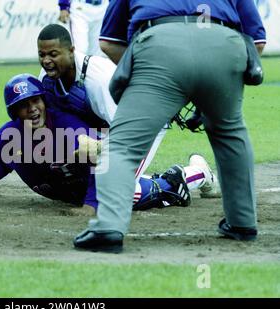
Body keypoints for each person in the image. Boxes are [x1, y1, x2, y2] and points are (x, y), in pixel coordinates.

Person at [73, 0, 266, 253]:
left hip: (158, 45)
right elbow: (257, 41)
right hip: (223, 44)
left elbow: (109, 42)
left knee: (122, 145)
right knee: (230, 134)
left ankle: (109, 228)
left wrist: (153, 75)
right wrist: (208, 87)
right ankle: (242, 223)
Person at [0, 74, 215, 215]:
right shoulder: (11, 136)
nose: (31, 109)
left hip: (104, 185)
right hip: (70, 189)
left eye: (35, 101)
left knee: (146, 191)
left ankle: (195, 173)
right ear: (13, 113)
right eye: (22, 105)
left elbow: (101, 158)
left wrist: (91, 207)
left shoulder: (67, 126)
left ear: (44, 101)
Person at [37, 23, 169, 182]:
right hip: (109, 126)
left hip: (144, 123)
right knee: (88, 183)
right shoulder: (47, 76)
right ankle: (153, 181)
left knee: (116, 188)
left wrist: (98, 148)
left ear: (71, 51)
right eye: (42, 55)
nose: (46, 61)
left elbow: (126, 131)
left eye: (53, 54)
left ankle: (192, 175)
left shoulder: (98, 80)